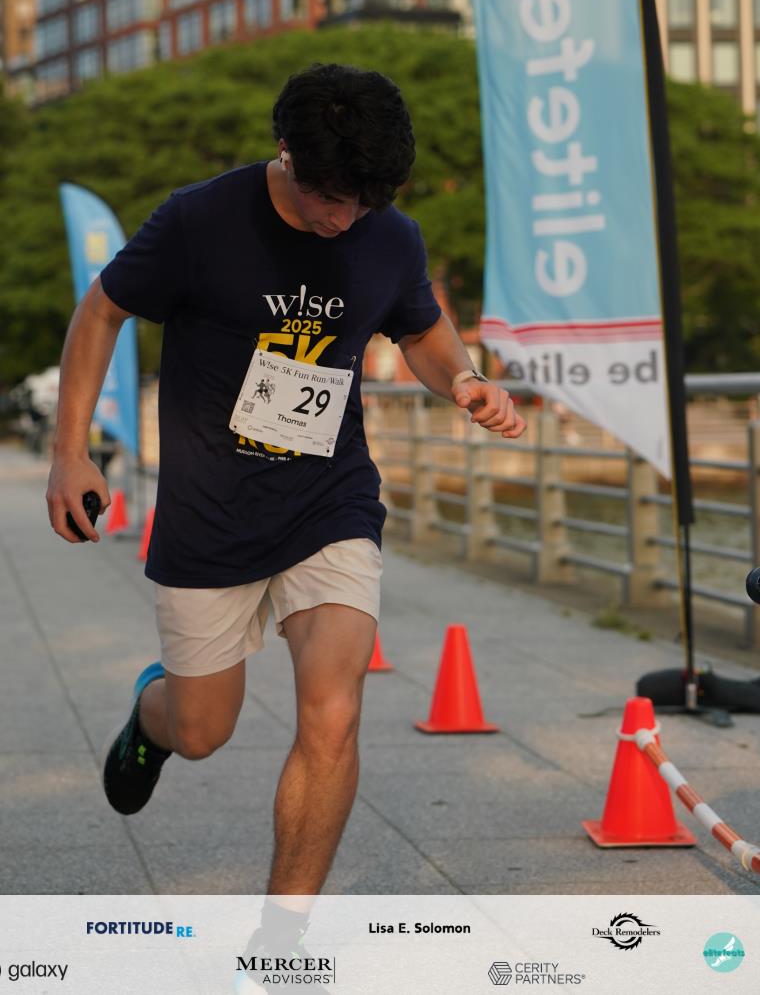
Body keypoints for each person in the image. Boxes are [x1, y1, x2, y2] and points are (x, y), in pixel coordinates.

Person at [44, 63, 525, 958]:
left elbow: (419, 326)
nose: (345, 218)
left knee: (333, 713)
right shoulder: (200, 220)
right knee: (204, 729)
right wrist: (69, 452)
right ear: (287, 153)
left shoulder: (388, 233)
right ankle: (153, 715)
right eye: (329, 198)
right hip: (210, 511)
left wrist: (463, 377)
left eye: (365, 202)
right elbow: (102, 310)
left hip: (328, 501)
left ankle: (281, 941)